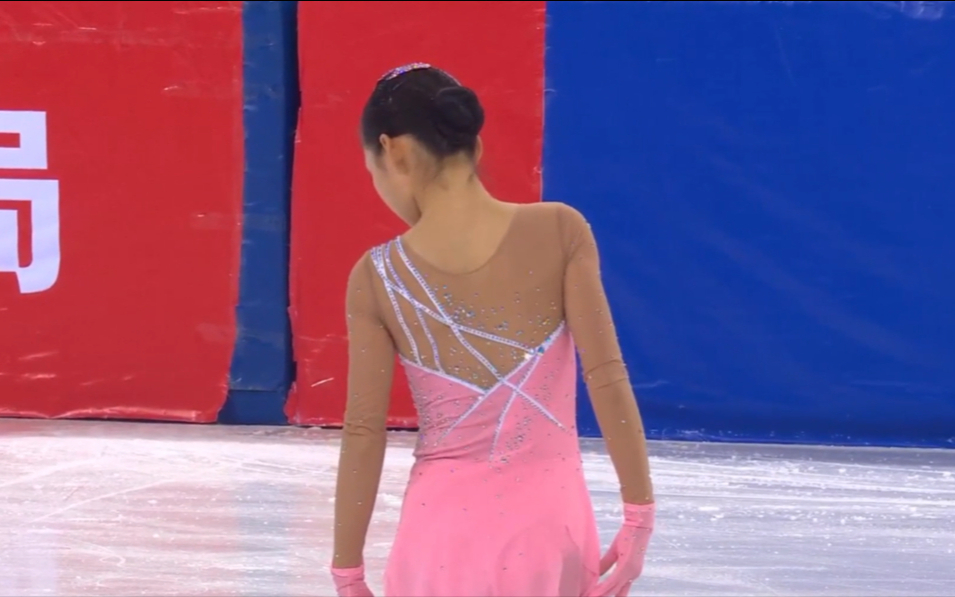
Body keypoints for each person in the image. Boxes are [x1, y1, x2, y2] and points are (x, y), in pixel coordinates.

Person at [330, 63, 655, 597]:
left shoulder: (375, 276)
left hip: (435, 545)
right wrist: (639, 514)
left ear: (394, 152)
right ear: (473, 146)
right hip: (547, 535)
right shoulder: (561, 230)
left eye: (373, 171)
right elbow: (607, 376)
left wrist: (348, 575)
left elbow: (363, 432)